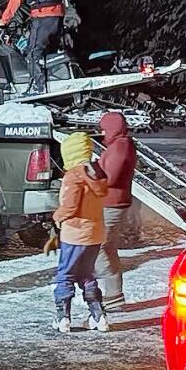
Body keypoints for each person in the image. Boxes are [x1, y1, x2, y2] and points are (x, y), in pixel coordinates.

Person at [52, 132, 109, 333]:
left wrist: (57, 217)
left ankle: (63, 318)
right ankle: (99, 317)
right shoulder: (96, 173)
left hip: (75, 234)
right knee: (86, 274)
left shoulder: (74, 175)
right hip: (95, 234)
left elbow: (70, 206)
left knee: (65, 274)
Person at [95, 112, 137, 313]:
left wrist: (91, 172)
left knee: (98, 246)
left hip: (111, 203)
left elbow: (110, 177)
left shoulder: (120, 147)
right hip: (114, 202)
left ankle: (110, 287)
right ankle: (114, 296)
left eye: (104, 128)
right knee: (109, 247)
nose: (102, 132)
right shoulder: (121, 145)